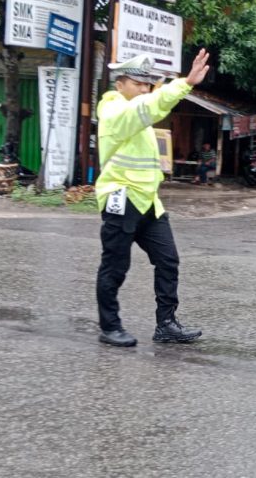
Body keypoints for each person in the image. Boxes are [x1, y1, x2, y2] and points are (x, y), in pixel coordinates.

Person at [93, 50, 211, 347]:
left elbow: (150, 108)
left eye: (148, 85)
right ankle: (110, 326)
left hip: (148, 201)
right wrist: (185, 83)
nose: (145, 89)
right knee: (115, 266)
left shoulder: (139, 117)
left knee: (168, 260)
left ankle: (166, 325)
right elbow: (150, 106)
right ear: (119, 84)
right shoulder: (114, 112)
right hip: (121, 198)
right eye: (138, 83)